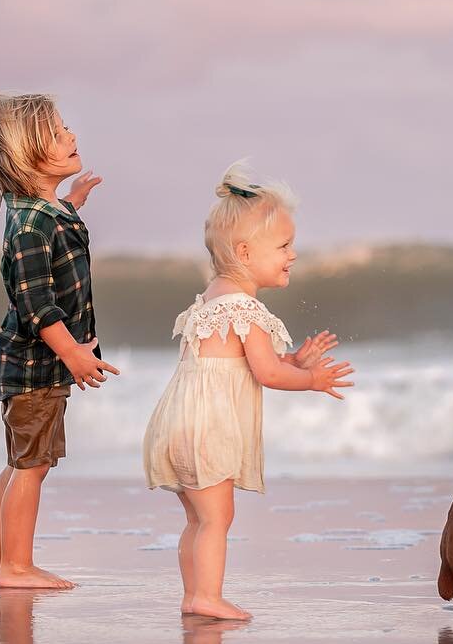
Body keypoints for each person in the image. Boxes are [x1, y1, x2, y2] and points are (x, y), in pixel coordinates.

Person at [143, 160, 353, 619]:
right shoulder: (246, 308)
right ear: (243, 251)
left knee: (198, 519)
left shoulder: (211, 299)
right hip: (210, 431)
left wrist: (293, 359)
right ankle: (207, 596)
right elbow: (267, 374)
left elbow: (247, 363)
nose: (292, 254)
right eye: (283, 245)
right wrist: (310, 379)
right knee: (218, 519)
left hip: (178, 426)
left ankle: (193, 595)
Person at [0, 93, 120, 590]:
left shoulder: (42, 212)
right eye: (60, 133)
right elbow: (38, 307)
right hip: (36, 366)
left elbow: (53, 237)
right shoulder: (32, 227)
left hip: (30, 366)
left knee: (19, 464)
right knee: (32, 468)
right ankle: (16, 565)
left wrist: (72, 203)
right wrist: (75, 354)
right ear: (29, 155)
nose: (72, 135)